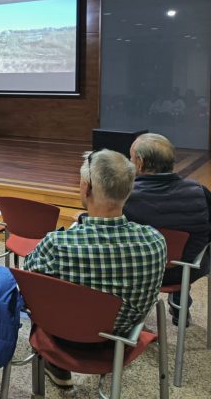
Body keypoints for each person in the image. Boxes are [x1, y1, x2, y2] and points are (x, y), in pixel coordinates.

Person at [24, 149, 167, 389]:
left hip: (62, 336)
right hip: (120, 339)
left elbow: (28, 280)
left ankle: (55, 367)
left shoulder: (57, 244)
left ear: (87, 188)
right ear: (128, 190)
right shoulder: (155, 241)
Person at [124, 133, 211, 325]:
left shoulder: (125, 197)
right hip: (188, 271)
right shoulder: (200, 192)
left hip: (140, 272)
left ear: (140, 163)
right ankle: (180, 302)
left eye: (130, 158)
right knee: (182, 251)